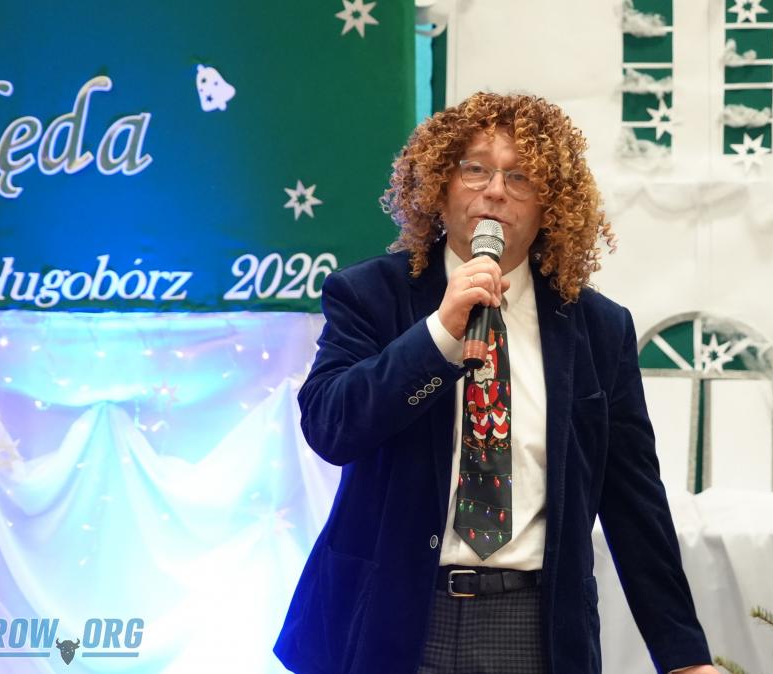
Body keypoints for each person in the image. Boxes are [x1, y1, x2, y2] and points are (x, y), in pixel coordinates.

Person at [274, 92, 718, 674]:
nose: (496, 191)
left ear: (550, 205)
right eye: (475, 169)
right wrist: (439, 333)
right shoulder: (369, 295)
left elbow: (635, 501)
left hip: (533, 623)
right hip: (391, 616)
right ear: (439, 187)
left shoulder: (599, 329)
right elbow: (331, 428)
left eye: (520, 177)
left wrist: (684, 656)